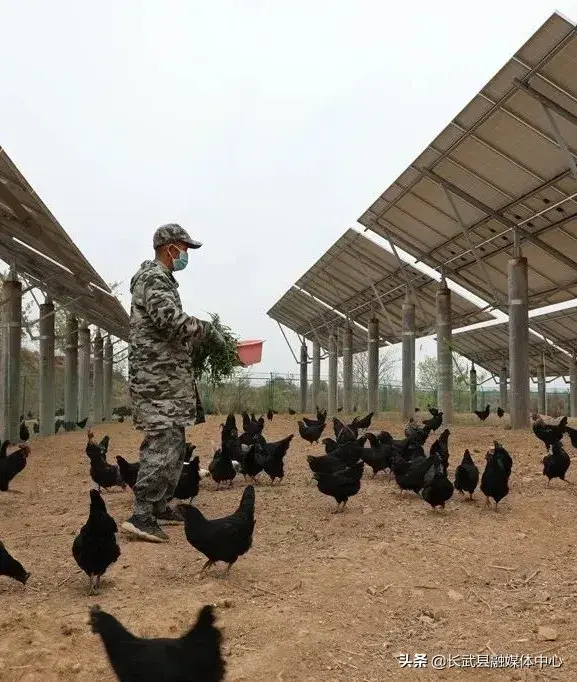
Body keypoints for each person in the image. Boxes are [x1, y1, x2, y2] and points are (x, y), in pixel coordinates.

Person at [122, 223, 224, 542]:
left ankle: (159, 504)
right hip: (156, 379)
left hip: (166, 377)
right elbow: (169, 321)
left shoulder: (163, 280)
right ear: (170, 248)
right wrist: (206, 329)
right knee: (162, 441)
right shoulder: (153, 278)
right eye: (184, 249)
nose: (186, 256)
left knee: (174, 441)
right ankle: (141, 514)